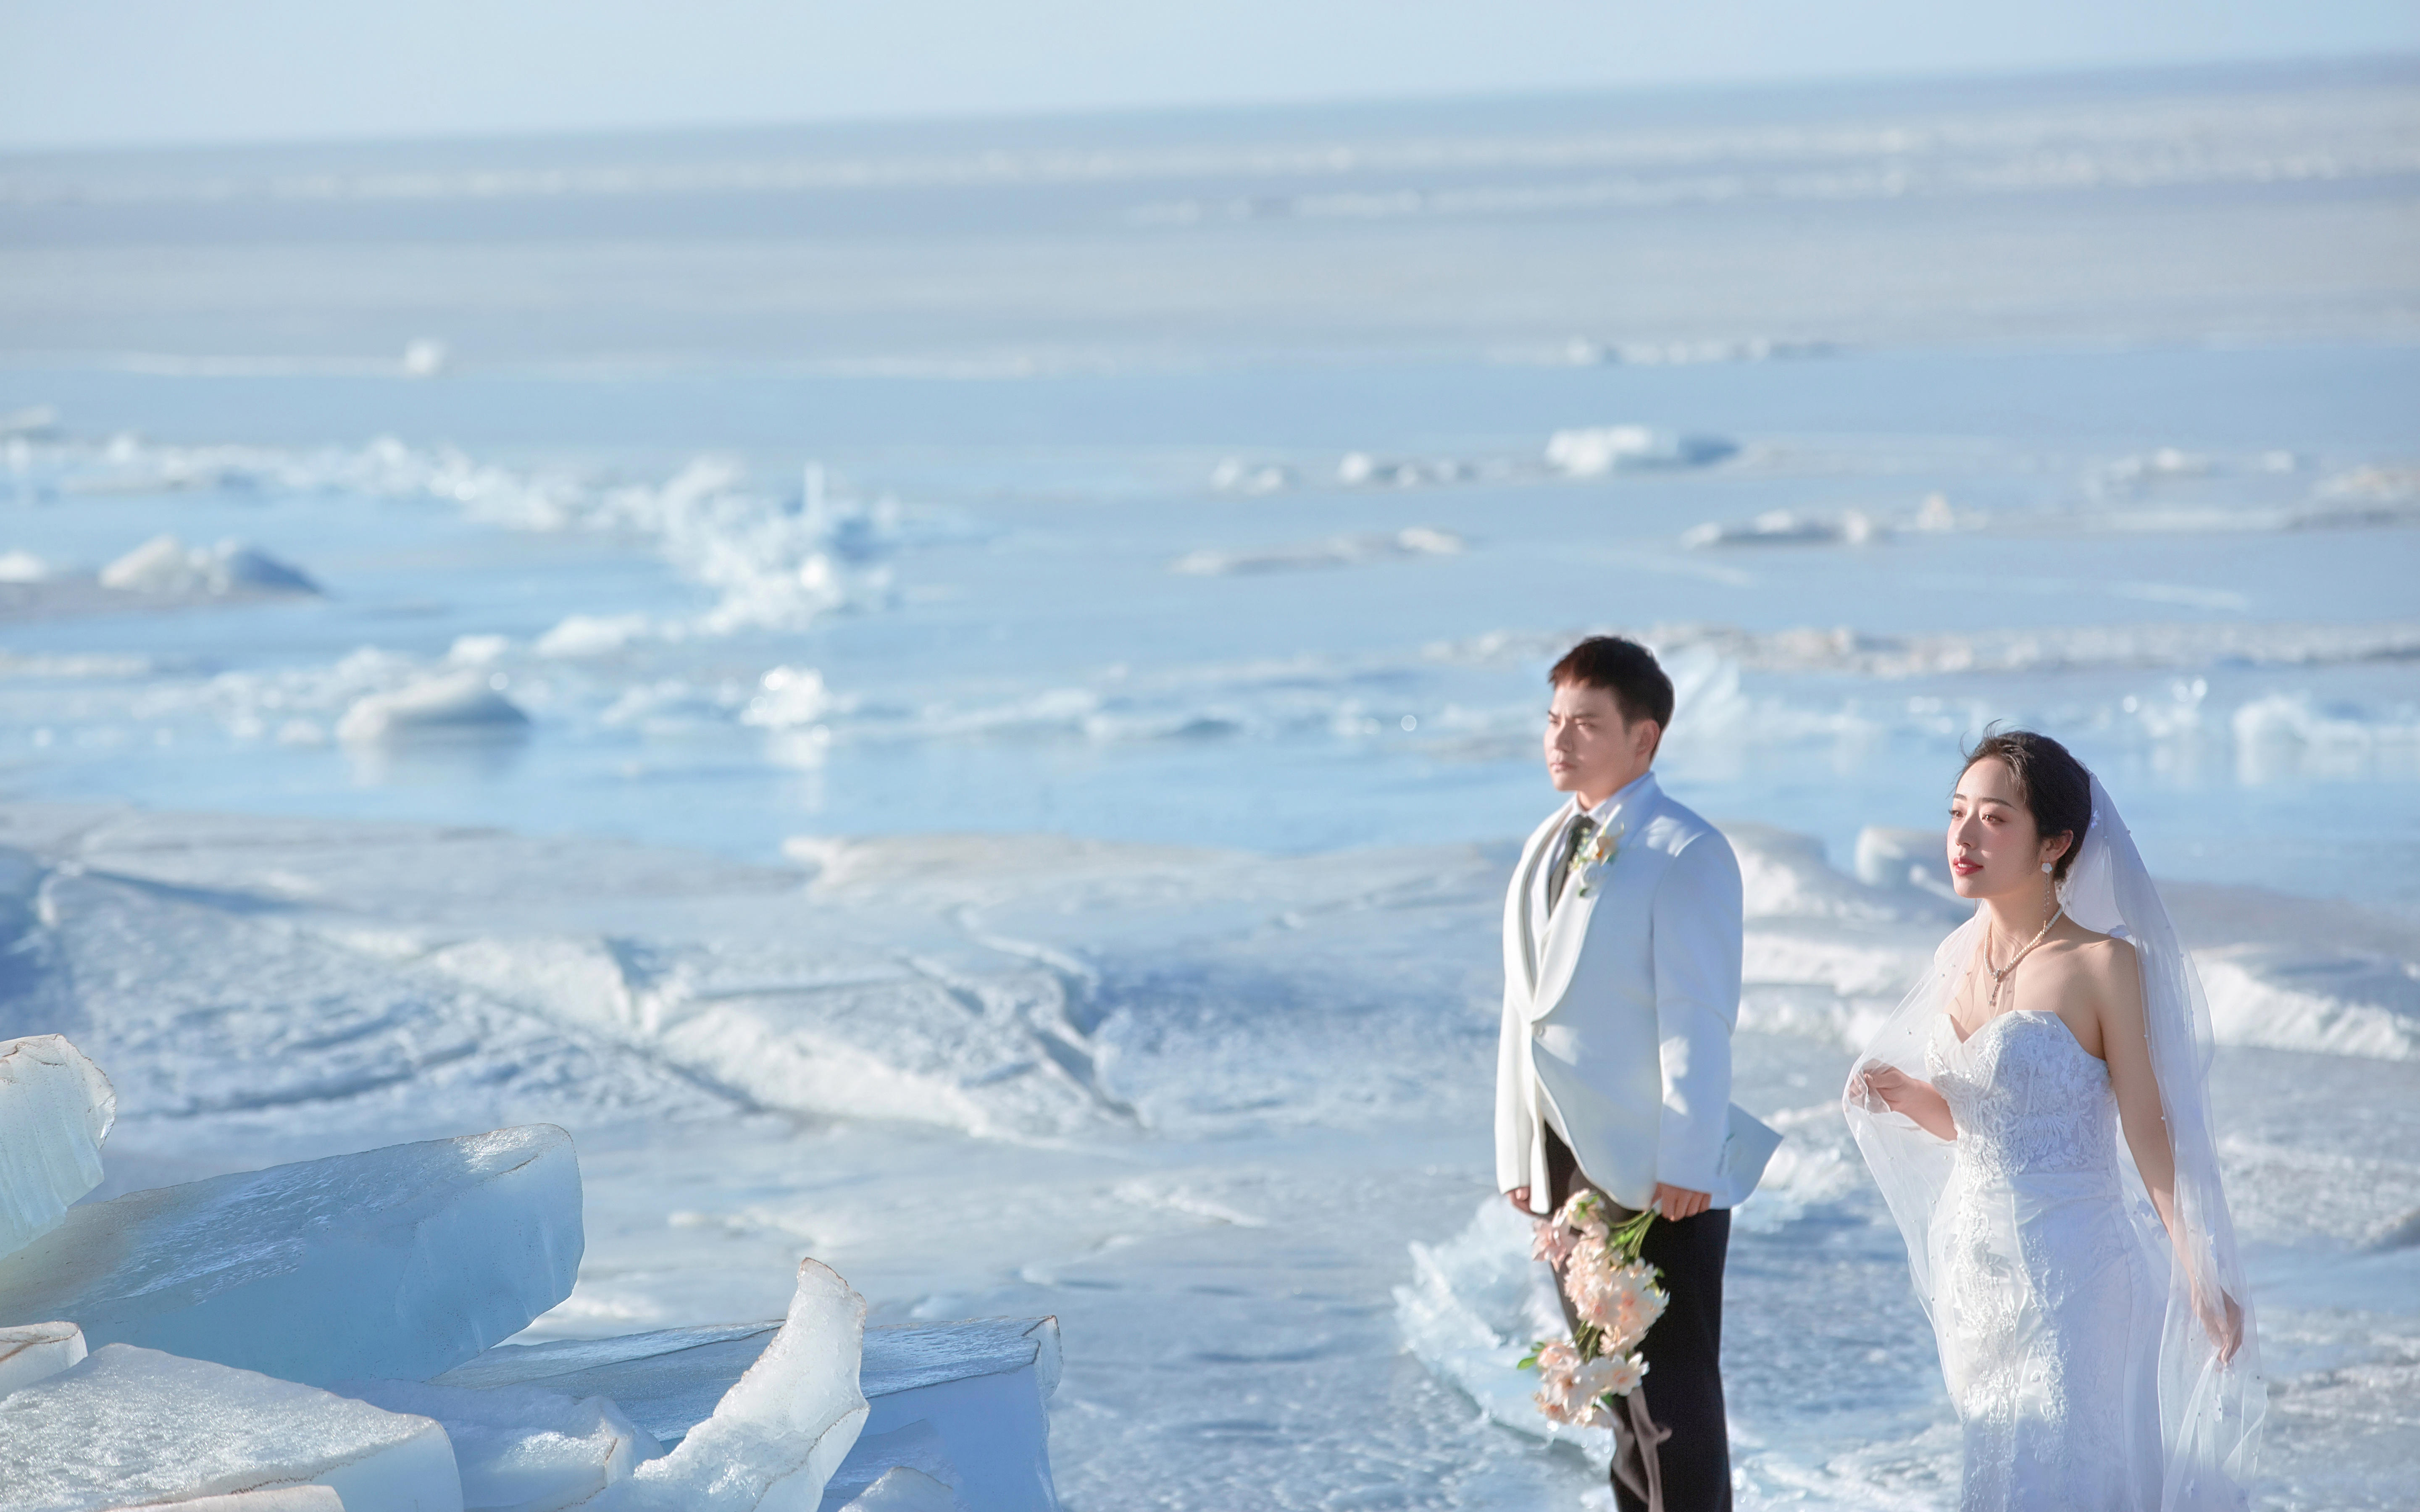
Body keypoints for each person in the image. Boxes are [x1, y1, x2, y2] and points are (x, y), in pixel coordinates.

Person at [1846, 730, 2263, 1511]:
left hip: (2076, 1276)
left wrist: (2202, 1270)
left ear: (2057, 844)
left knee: (2067, 1477)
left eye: (1996, 818)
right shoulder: (1957, 961)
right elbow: (1991, 1126)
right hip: (1978, 1278)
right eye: (1957, 812)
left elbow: (2148, 1128)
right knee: (2001, 1477)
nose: (1965, 836)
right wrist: (1908, 1096)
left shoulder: (2104, 964)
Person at [1495, 635, 1779, 1512]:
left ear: (1645, 739)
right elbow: (1526, 1010)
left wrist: (1687, 1159)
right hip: (1564, 1161)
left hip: (1657, 1166)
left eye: (1585, 723)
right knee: (1615, 1394)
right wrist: (1520, 1156)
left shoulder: (1683, 850)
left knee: (1673, 1406)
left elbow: (1699, 1016)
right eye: (1553, 721)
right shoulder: (1551, 839)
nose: (1559, 740)